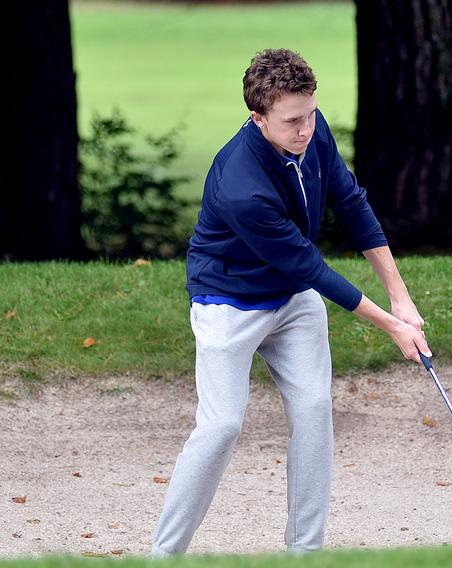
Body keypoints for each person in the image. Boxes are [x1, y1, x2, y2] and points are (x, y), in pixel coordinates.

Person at [150, 48, 430, 556]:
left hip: (291, 300)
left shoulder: (312, 131)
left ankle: (305, 552)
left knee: (315, 407)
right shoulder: (242, 186)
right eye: (291, 121)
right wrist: (392, 327)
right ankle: (164, 555)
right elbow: (311, 268)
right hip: (228, 302)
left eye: (311, 114)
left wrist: (401, 297)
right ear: (257, 117)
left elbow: (351, 202)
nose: (305, 129)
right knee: (221, 426)